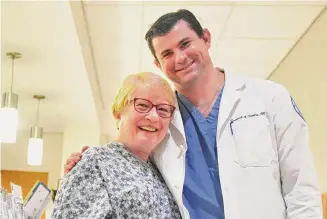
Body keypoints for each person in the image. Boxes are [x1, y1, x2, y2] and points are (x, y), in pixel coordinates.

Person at [64, 9, 323, 219]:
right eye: (167, 53)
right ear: (158, 64)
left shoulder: (269, 98)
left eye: (185, 43)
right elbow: (130, 162)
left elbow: (301, 189)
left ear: (206, 39)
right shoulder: (163, 119)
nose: (179, 58)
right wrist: (88, 164)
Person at [51, 72, 182, 219]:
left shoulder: (163, 172)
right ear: (118, 112)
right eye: (143, 105)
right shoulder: (95, 161)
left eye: (163, 109)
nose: (153, 116)